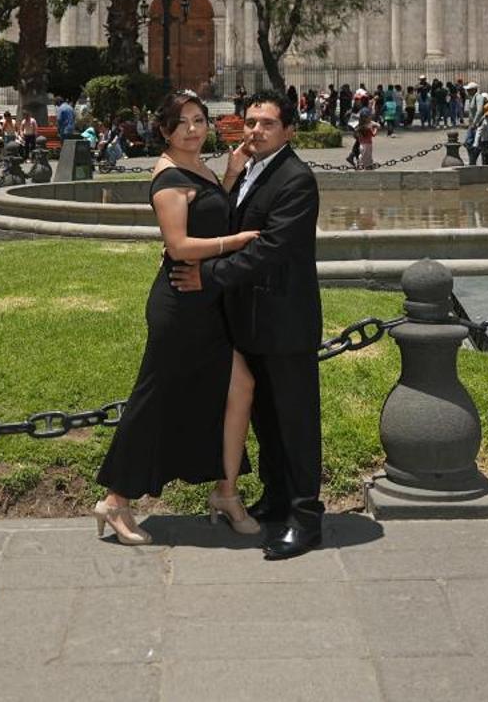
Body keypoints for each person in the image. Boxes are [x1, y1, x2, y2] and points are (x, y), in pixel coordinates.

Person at [94, 92, 262, 546]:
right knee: (155, 397)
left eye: (200, 120)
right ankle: (115, 500)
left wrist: (228, 175)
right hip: (179, 302)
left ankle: (226, 491)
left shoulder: (198, 167)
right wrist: (239, 241)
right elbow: (179, 246)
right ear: (164, 131)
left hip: (203, 297)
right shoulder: (168, 177)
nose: (193, 128)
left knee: (239, 385)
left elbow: (211, 214)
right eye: (183, 122)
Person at [169, 90, 325, 559]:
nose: (255, 130)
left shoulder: (296, 179)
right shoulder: (253, 170)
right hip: (251, 318)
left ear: (290, 131)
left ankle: (305, 517)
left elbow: (269, 249)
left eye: (267, 124)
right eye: (251, 122)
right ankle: (278, 497)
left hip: (284, 319)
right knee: (268, 417)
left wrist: (207, 276)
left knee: (296, 421)